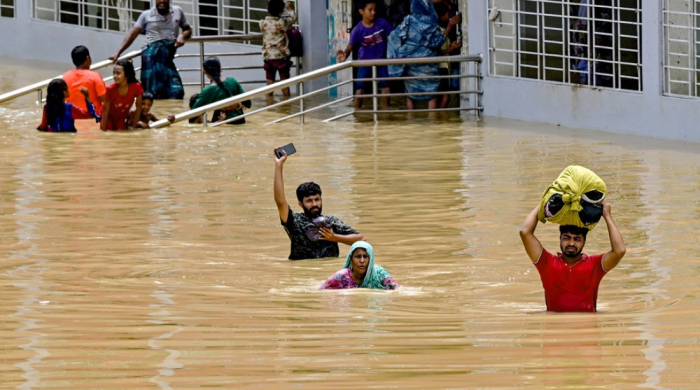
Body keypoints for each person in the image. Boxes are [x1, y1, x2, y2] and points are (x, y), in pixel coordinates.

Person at [519, 200, 626, 312]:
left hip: (587, 329)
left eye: (577, 239)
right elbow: (525, 232)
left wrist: (607, 216)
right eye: (566, 238)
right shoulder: (547, 263)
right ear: (560, 239)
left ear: (584, 241)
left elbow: (620, 251)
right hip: (555, 328)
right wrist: (544, 202)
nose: (571, 243)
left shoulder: (595, 265)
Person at [273, 147, 363, 260]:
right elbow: (280, 202)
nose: (314, 204)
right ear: (300, 204)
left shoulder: (330, 222)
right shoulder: (294, 222)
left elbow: (361, 240)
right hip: (302, 274)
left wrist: (334, 237)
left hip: (329, 273)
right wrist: (279, 165)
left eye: (317, 199)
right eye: (309, 201)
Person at [109, 0, 190, 99]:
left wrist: (182, 35)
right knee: (151, 92)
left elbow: (187, 29)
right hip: (150, 55)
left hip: (167, 56)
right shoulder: (146, 15)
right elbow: (132, 35)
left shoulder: (178, 11)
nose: (162, 1)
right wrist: (118, 53)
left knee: (177, 92)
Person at [387, 0, 446, 110]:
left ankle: (411, 120)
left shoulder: (408, 21)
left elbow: (394, 37)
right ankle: (432, 121)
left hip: (411, 64)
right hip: (429, 65)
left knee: (410, 95)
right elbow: (439, 41)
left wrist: (403, 52)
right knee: (431, 95)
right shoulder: (432, 21)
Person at [337, 0, 394, 109]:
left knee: (386, 89)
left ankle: (386, 117)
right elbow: (350, 46)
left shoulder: (382, 23)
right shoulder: (357, 30)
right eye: (370, 10)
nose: (373, 12)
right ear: (361, 11)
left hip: (382, 61)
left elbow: (394, 37)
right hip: (364, 62)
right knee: (360, 91)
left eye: (375, 10)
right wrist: (345, 54)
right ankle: (357, 117)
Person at [188, 57, 252, 125]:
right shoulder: (233, 81)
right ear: (220, 68)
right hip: (239, 119)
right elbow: (248, 103)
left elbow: (192, 113)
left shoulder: (209, 90)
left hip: (221, 120)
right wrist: (236, 104)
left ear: (204, 71)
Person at [319, 241, 399, 290]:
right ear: (351, 259)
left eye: (365, 257)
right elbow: (322, 291)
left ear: (370, 260)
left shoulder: (380, 273)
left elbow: (396, 290)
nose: (362, 261)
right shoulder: (341, 276)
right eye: (358, 256)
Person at [260, 0, 297, 98]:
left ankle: (269, 100)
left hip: (268, 56)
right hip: (281, 56)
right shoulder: (282, 23)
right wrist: (289, 6)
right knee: (284, 81)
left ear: (267, 9)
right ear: (281, 11)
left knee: (270, 80)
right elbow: (293, 17)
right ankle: (286, 101)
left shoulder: (263, 23)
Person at [63, 45, 106, 115]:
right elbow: (105, 99)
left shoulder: (65, 76)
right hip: (93, 117)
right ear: (88, 58)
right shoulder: (95, 76)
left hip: (73, 117)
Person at [101, 60, 144, 131]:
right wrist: (104, 131)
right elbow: (105, 111)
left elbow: (139, 107)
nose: (115, 76)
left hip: (121, 118)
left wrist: (134, 126)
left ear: (127, 74)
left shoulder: (137, 87)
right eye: (114, 73)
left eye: (118, 73)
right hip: (108, 117)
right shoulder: (110, 89)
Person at [434, 3, 462, 108]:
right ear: (441, 16)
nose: (448, 17)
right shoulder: (438, 31)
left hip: (440, 68)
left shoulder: (437, 29)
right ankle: (440, 119)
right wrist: (451, 49)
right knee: (446, 97)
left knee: (439, 97)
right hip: (441, 68)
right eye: (447, 14)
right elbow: (437, 52)